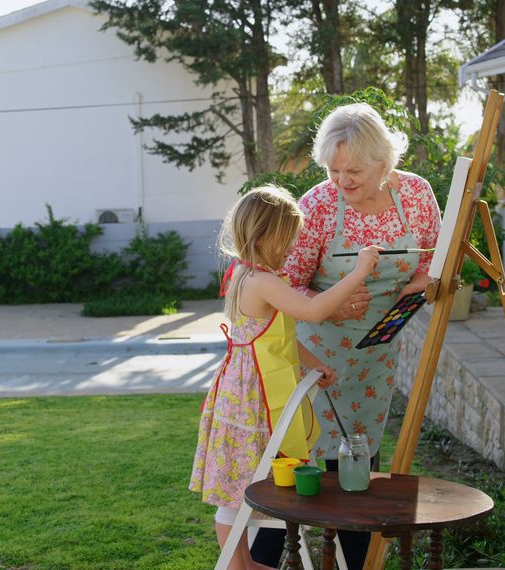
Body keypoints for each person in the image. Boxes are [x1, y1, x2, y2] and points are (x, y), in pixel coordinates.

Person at [252, 103, 441, 569]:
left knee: (361, 464)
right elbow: (286, 286)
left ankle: (356, 559)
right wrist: (335, 299)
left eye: (354, 170)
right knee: (304, 465)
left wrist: (420, 289)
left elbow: (430, 264)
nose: (342, 180)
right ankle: (269, 556)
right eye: (333, 170)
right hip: (320, 354)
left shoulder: (415, 195)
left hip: (377, 353)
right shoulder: (317, 206)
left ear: (384, 161)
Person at [189, 185, 383, 570]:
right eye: (287, 239)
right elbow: (312, 312)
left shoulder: (250, 274)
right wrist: (358, 272)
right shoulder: (260, 281)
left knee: (243, 483)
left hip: (250, 388)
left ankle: (242, 563)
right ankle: (236, 564)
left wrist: (312, 362)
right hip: (251, 397)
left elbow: (278, 337)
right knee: (237, 489)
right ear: (263, 235)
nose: (292, 247)